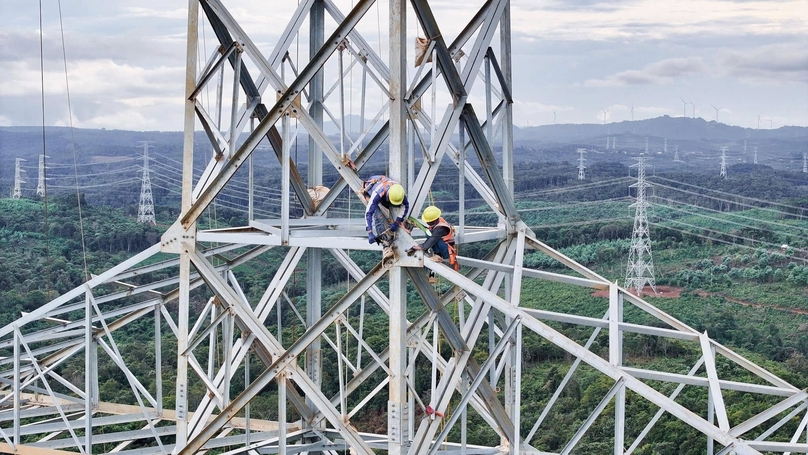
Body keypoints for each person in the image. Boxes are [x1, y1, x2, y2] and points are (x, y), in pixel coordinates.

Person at [362, 175, 409, 244]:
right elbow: (369, 213)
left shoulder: (400, 193)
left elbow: (405, 206)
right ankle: (384, 242)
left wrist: (397, 222)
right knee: (378, 216)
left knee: (397, 210)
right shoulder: (378, 193)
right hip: (373, 189)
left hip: (385, 192)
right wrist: (370, 232)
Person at [410, 205, 458, 271]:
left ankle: (438, 255)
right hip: (443, 247)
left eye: (428, 221)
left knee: (430, 235)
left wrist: (422, 246)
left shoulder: (440, 228)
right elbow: (427, 229)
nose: (427, 222)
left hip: (446, 250)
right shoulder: (439, 221)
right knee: (430, 233)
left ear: (433, 221)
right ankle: (436, 256)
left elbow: (433, 238)